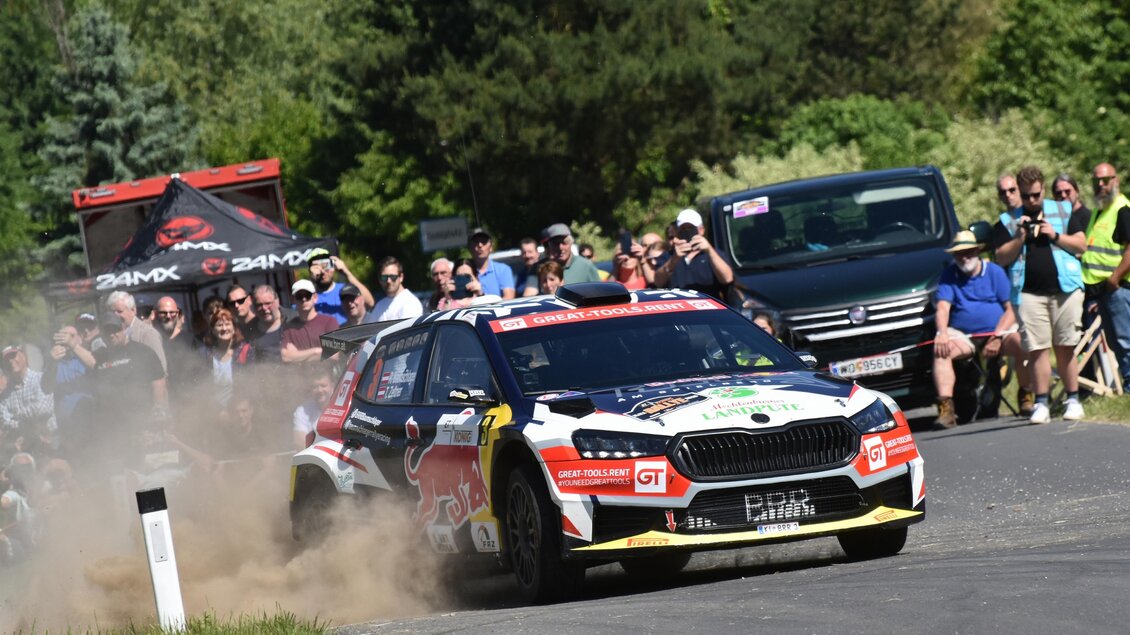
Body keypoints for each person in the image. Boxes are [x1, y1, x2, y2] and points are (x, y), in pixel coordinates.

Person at [992, 165, 1088, 424]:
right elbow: (1000, 257)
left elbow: (1081, 244)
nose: (1031, 201)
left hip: (1065, 290)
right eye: (1026, 196)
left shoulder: (1062, 210)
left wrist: (1054, 234)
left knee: (1066, 346)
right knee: (1037, 349)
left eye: (1035, 195)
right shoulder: (1009, 220)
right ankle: (1041, 402)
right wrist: (1020, 237)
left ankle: (1073, 399)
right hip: (1029, 293)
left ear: (1043, 189)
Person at [931, 231, 1028, 430]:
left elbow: (1010, 309)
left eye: (968, 252)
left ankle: (1026, 395)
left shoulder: (995, 271)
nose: (963, 257)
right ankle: (946, 410)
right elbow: (942, 308)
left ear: (977, 251)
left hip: (999, 332)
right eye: (958, 253)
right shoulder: (949, 274)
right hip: (963, 336)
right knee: (940, 350)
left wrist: (997, 336)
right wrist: (941, 333)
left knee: (1022, 343)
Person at [89, 314, 169, 474]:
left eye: (115, 330)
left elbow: (159, 383)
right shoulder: (101, 359)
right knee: (124, 475)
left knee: (151, 473)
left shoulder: (143, 351)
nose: (112, 335)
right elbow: (99, 395)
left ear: (124, 329)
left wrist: (157, 416)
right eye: (107, 332)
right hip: (116, 430)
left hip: (143, 424)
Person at [1081, 162, 1130, 385]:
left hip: (1118, 289)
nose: (1100, 185)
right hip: (1102, 292)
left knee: (1125, 340)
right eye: (1096, 181)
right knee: (1114, 342)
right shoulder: (1099, 211)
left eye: (1105, 180)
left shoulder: (1122, 209)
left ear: (1115, 181)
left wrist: (1114, 278)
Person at [653, 208, 734, 301]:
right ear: (677, 231)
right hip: (679, 310)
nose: (687, 232)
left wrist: (709, 250)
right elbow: (658, 282)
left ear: (701, 230)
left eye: (691, 228)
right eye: (683, 229)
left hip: (708, 310)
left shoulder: (713, 254)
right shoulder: (668, 256)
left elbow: (727, 278)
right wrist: (674, 260)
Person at [196, 308, 255, 420]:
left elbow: (250, 384)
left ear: (234, 328)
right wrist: (219, 411)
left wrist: (234, 409)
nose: (224, 328)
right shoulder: (204, 354)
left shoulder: (245, 350)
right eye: (219, 325)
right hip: (213, 413)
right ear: (212, 329)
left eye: (227, 324)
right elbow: (202, 388)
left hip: (240, 412)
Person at [0, 345, 56, 458]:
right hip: (24, 447)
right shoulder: (5, 395)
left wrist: (17, 416)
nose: (11, 361)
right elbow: (5, 421)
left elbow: (44, 408)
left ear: (24, 357)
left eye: (13, 356)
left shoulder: (40, 379)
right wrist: (27, 424)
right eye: (6, 360)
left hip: (49, 441)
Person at [306, 247, 376, 325]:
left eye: (326, 265)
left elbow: (370, 302)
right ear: (310, 271)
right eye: (316, 267)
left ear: (333, 266)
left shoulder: (345, 291)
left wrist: (346, 272)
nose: (323, 271)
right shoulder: (306, 298)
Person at [107, 290, 167, 373]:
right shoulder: (109, 334)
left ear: (133, 310)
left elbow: (161, 369)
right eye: (112, 312)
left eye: (120, 311)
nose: (115, 315)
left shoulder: (147, 333)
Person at [281, 279, 341, 364]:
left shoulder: (330, 322)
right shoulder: (289, 328)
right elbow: (286, 357)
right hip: (298, 376)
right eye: (299, 296)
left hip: (326, 376)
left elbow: (334, 355)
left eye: (307, 295)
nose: (304, 299)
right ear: (293, 300)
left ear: (315, 298)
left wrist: (297, 356)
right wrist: (316, 351)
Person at [367, 257, 424, 322]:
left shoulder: (411, 303)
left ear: (401, 277)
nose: (388, 281)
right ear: (379, 280)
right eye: (384, 277)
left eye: (393, 277)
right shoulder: (379, 306)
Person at [292, 366, 336, 450]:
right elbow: (300, 442)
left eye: (323, 385)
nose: (319, 390)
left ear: (332, 386)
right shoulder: (302, 411)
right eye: (315, 386)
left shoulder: (343, 407)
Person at [467, 228, 516, 299]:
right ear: (469, 247)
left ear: (491, 247)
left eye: (484, 241)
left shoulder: (503, 270)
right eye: (475, 241)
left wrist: (482, 294)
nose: (480, 245)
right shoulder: (462, 270)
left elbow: (509, 298)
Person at [249, 284, 287, 362]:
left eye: (268, 303)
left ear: (277, 301)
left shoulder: (292, 320)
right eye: (259, 305)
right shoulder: (251, 329)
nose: (264, 308)